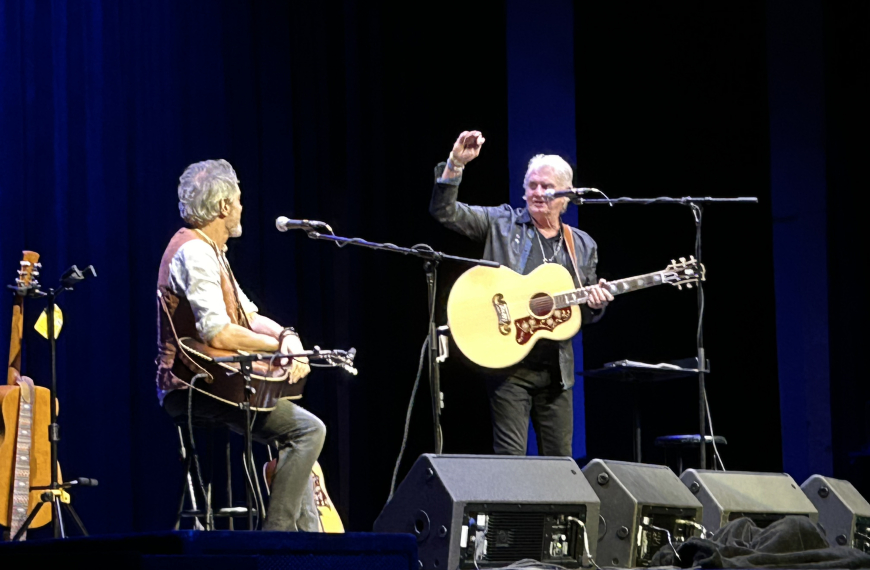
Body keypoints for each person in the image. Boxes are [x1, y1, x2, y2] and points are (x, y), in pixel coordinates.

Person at [155, 159, 324, 531]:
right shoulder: (195, 253)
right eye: (239, 200)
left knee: (300, 435)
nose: (242, 207)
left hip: (219, 382)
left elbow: (248, 315)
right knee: (308, 431)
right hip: (194, 386)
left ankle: (312, 542)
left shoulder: (211, 251)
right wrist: (273, 347)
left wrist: (286, 336)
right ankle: (277, 540)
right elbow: (218, 333)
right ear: (223, 207)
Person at [430, 131, 614, 457]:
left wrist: (596, 305)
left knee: (560, 469)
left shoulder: (582, 245)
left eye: (546, 186)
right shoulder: (502, 223)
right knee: (512, 466)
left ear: (567, 195)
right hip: (508, 368)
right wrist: (455, 165)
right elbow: (446, 212)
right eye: (532, 185)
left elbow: (579, 313)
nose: (538, 192)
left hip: (557, 373)